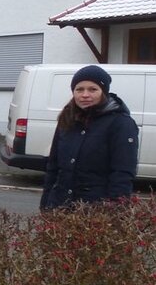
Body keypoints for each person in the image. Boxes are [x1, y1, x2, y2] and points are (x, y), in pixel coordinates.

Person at [40, 65, 138, 210]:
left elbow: (122, 173)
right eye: (79, 89)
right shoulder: (67, 119)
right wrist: (46, 204)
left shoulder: (121, 123)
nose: (85, 94)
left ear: (103, 92)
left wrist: (116, 210)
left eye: (93, 89)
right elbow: (53, 167)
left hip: (96, 211)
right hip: (59, 206)